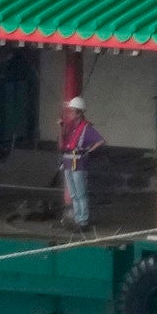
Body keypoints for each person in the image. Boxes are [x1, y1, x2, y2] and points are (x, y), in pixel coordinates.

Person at [58, 96, 104, 229]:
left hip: (79, 163)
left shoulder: (86, 128)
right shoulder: (71, 128)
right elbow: (62, 145)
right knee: (73, 193)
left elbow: (100, 141)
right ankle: (78, 218)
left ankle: (83, 220)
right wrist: (60, 127)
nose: (70, 114)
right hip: (67, 162)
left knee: (80, 193)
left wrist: (87, 151)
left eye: (72, 111)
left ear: (79, 113)